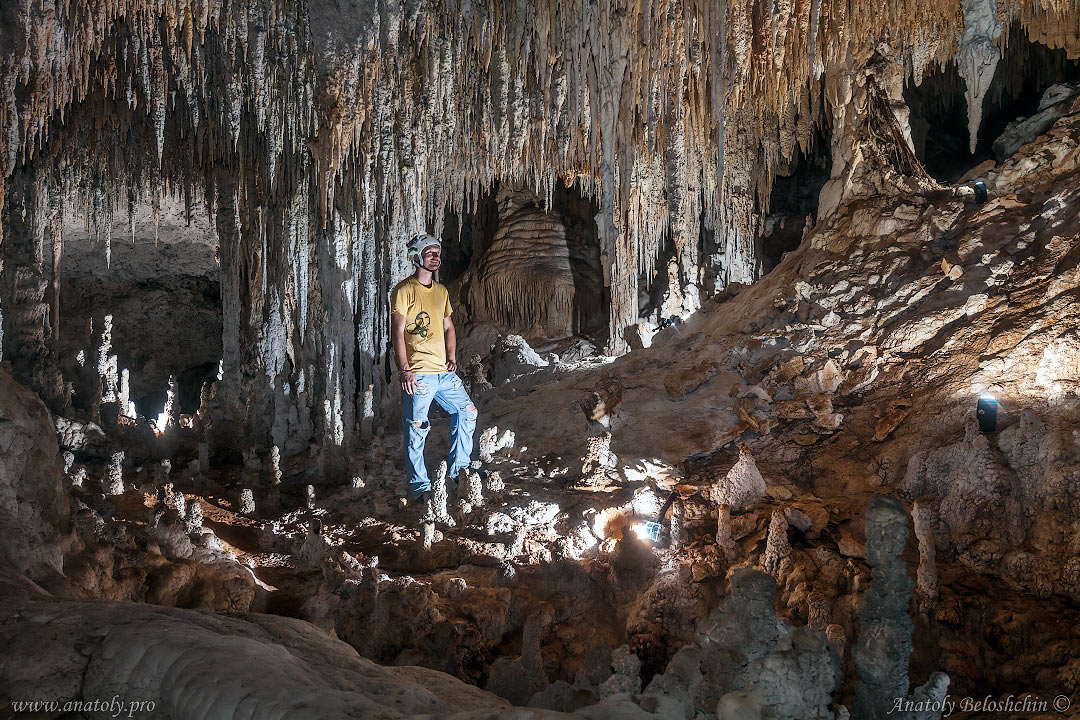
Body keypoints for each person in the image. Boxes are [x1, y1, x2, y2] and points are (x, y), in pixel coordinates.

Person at [391, 233, 478, 503]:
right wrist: (405, 369)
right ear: (416, 257)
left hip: (443, 372)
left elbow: (449, 327)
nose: (435, 256)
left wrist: (452, 356)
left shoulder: (441, 292)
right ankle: (420, 487)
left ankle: (459, 470)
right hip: (418, 373)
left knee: (468, 411)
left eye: (437, 252)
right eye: (429, 252)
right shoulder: (404, 290)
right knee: (417, 428)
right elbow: (397, 331)